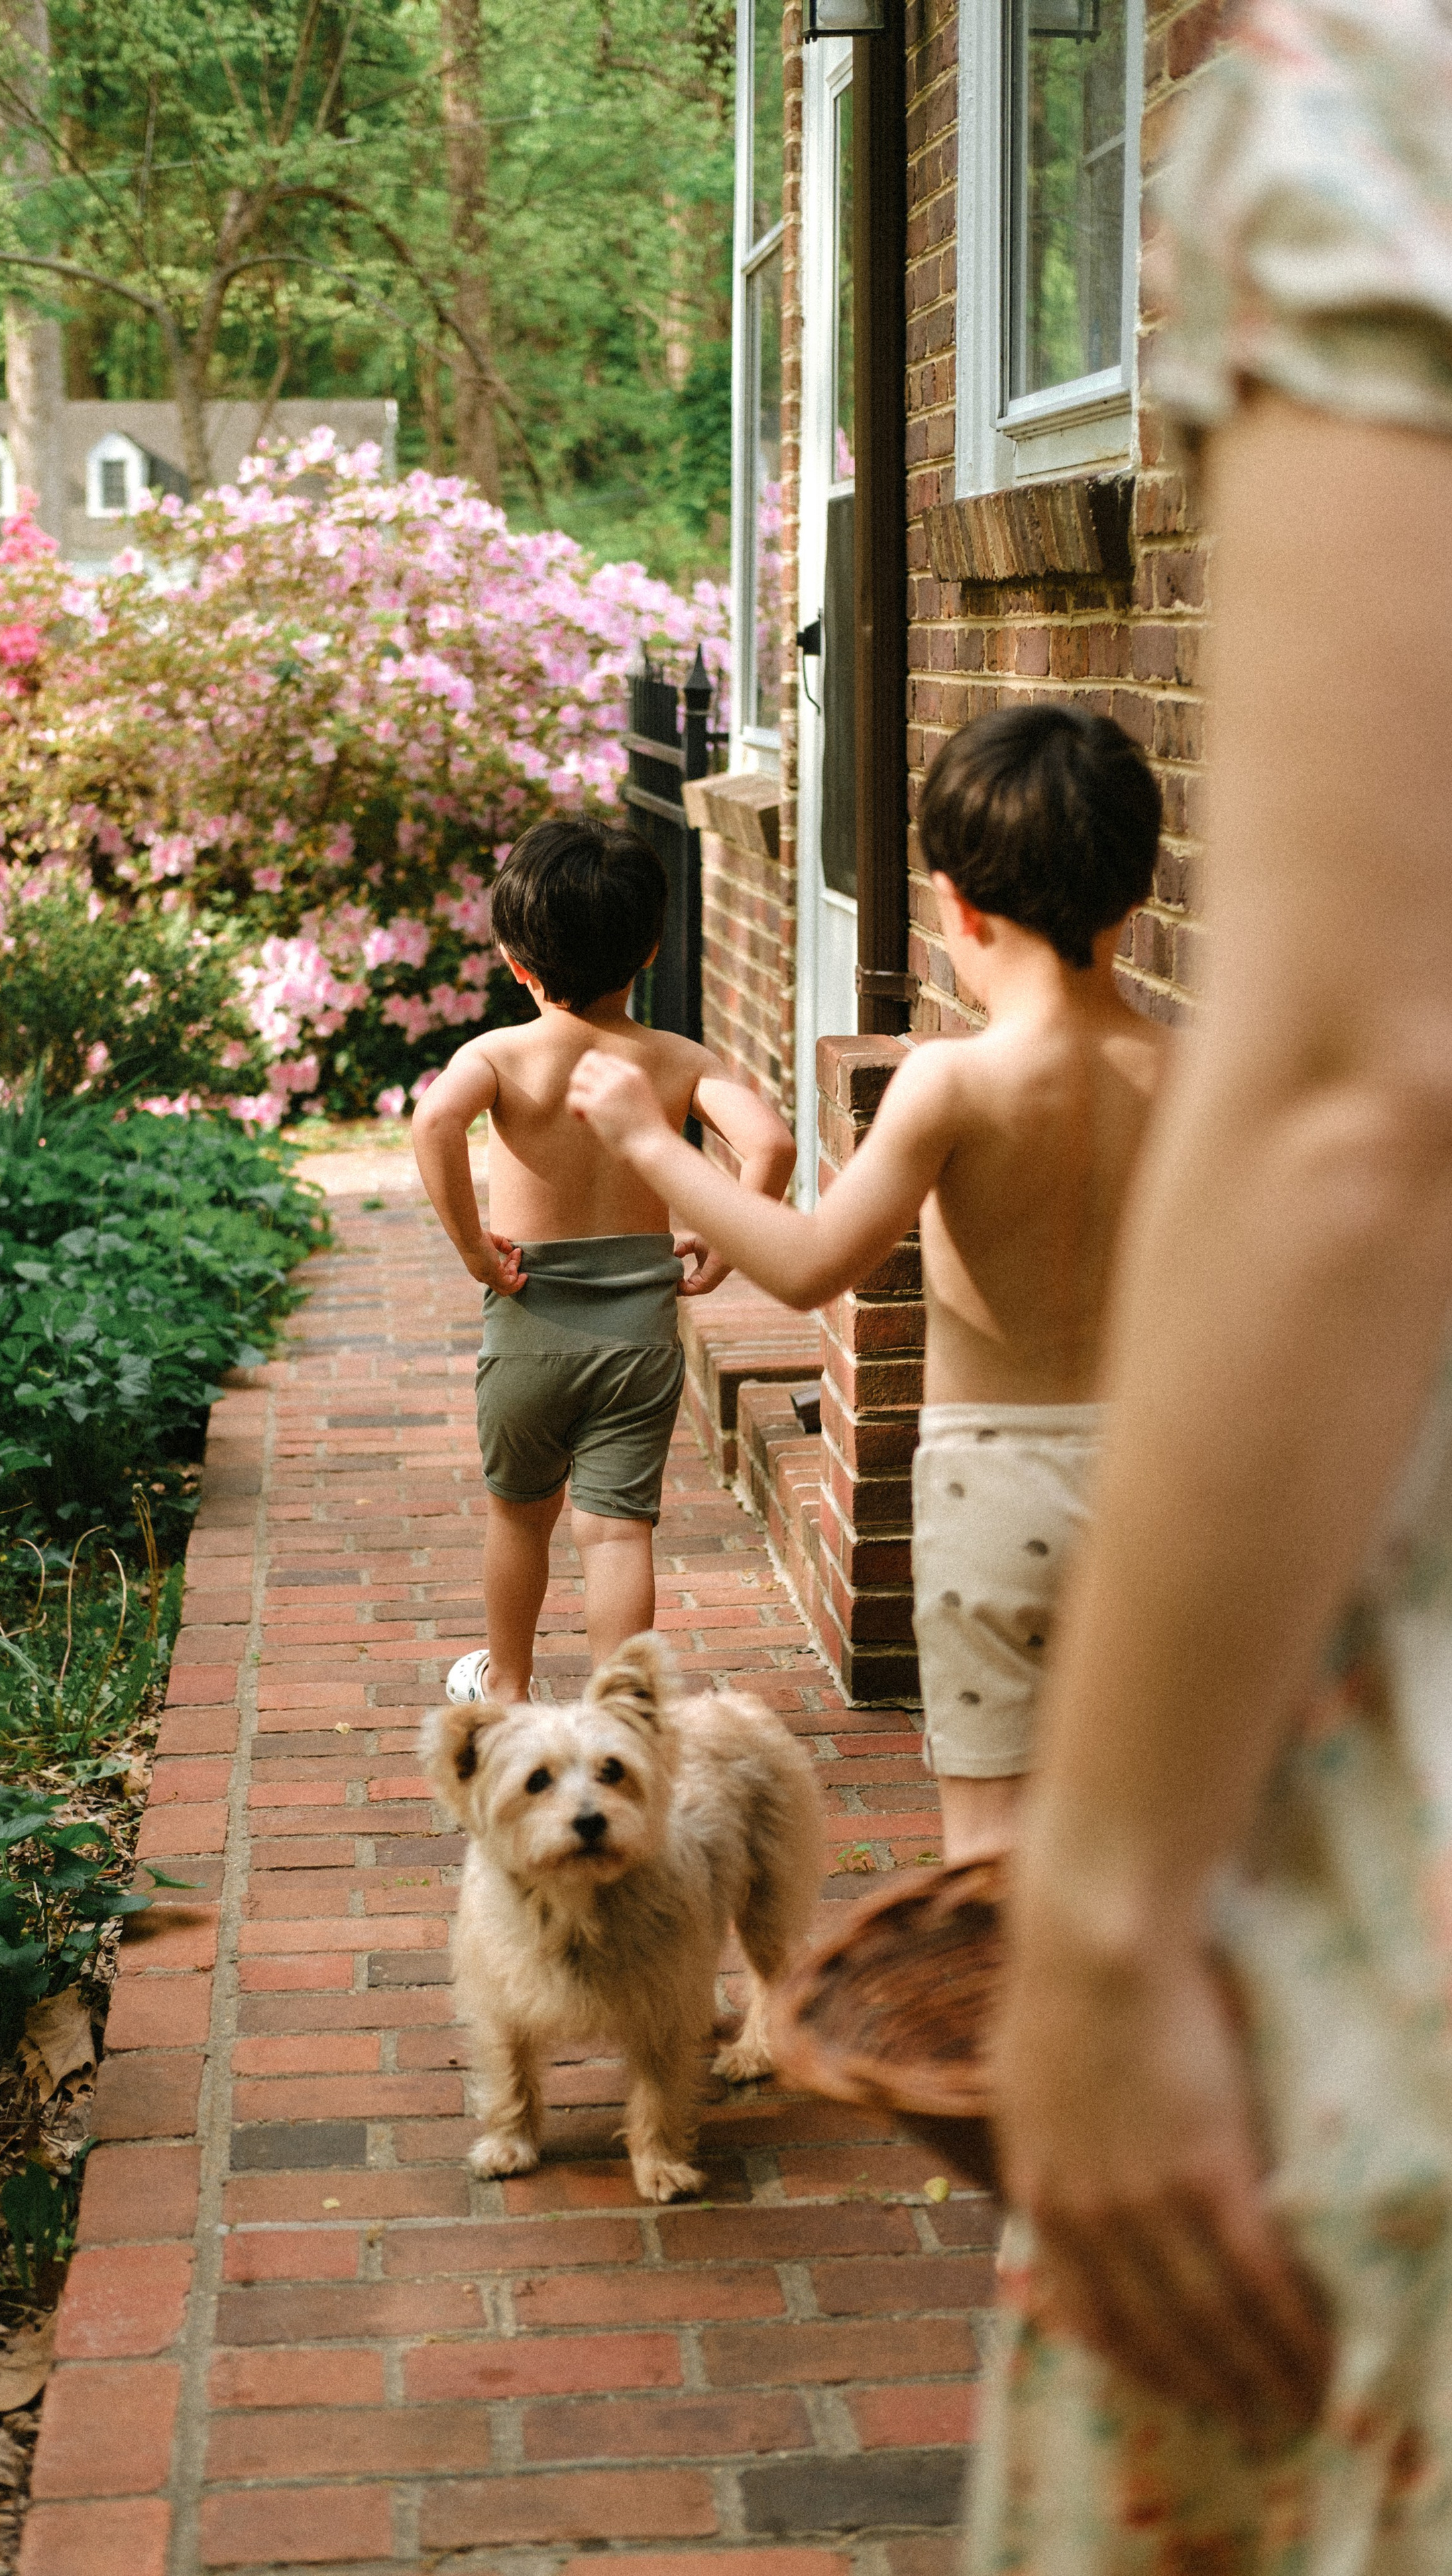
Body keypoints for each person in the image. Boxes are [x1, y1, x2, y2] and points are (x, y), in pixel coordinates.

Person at [967, 4, 1452, 2568]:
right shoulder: (1150, 1067)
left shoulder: (1386, 75)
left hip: (1141, 1571)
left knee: (980, 1856)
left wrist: (1103, 1911)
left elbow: (1375, 1094)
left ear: (956, 901)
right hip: (1111, 1487)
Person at [567, 704, 1168, 1864]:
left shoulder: (953, 1083)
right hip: (1161, 1475)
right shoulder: (1192, 1073)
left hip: (994, 1492)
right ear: (1138, 893)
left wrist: (652, 1147)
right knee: (1147, 1827)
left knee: (989, 1843)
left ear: (954, 905)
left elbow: (805, 1266)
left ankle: (984, 2037)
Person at [412, 814, 795, 1705]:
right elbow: (769, 1145)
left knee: (520, 1515)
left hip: (529, 1316)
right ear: (652, 949)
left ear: (517, 960)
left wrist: (473, 1246)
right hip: (639, 1335)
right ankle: (620, 1712)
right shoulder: (671, 1059)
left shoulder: (501, 1056)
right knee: (617, 1531)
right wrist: (729, 1236)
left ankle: (506, 1686)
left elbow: (433, 1122)